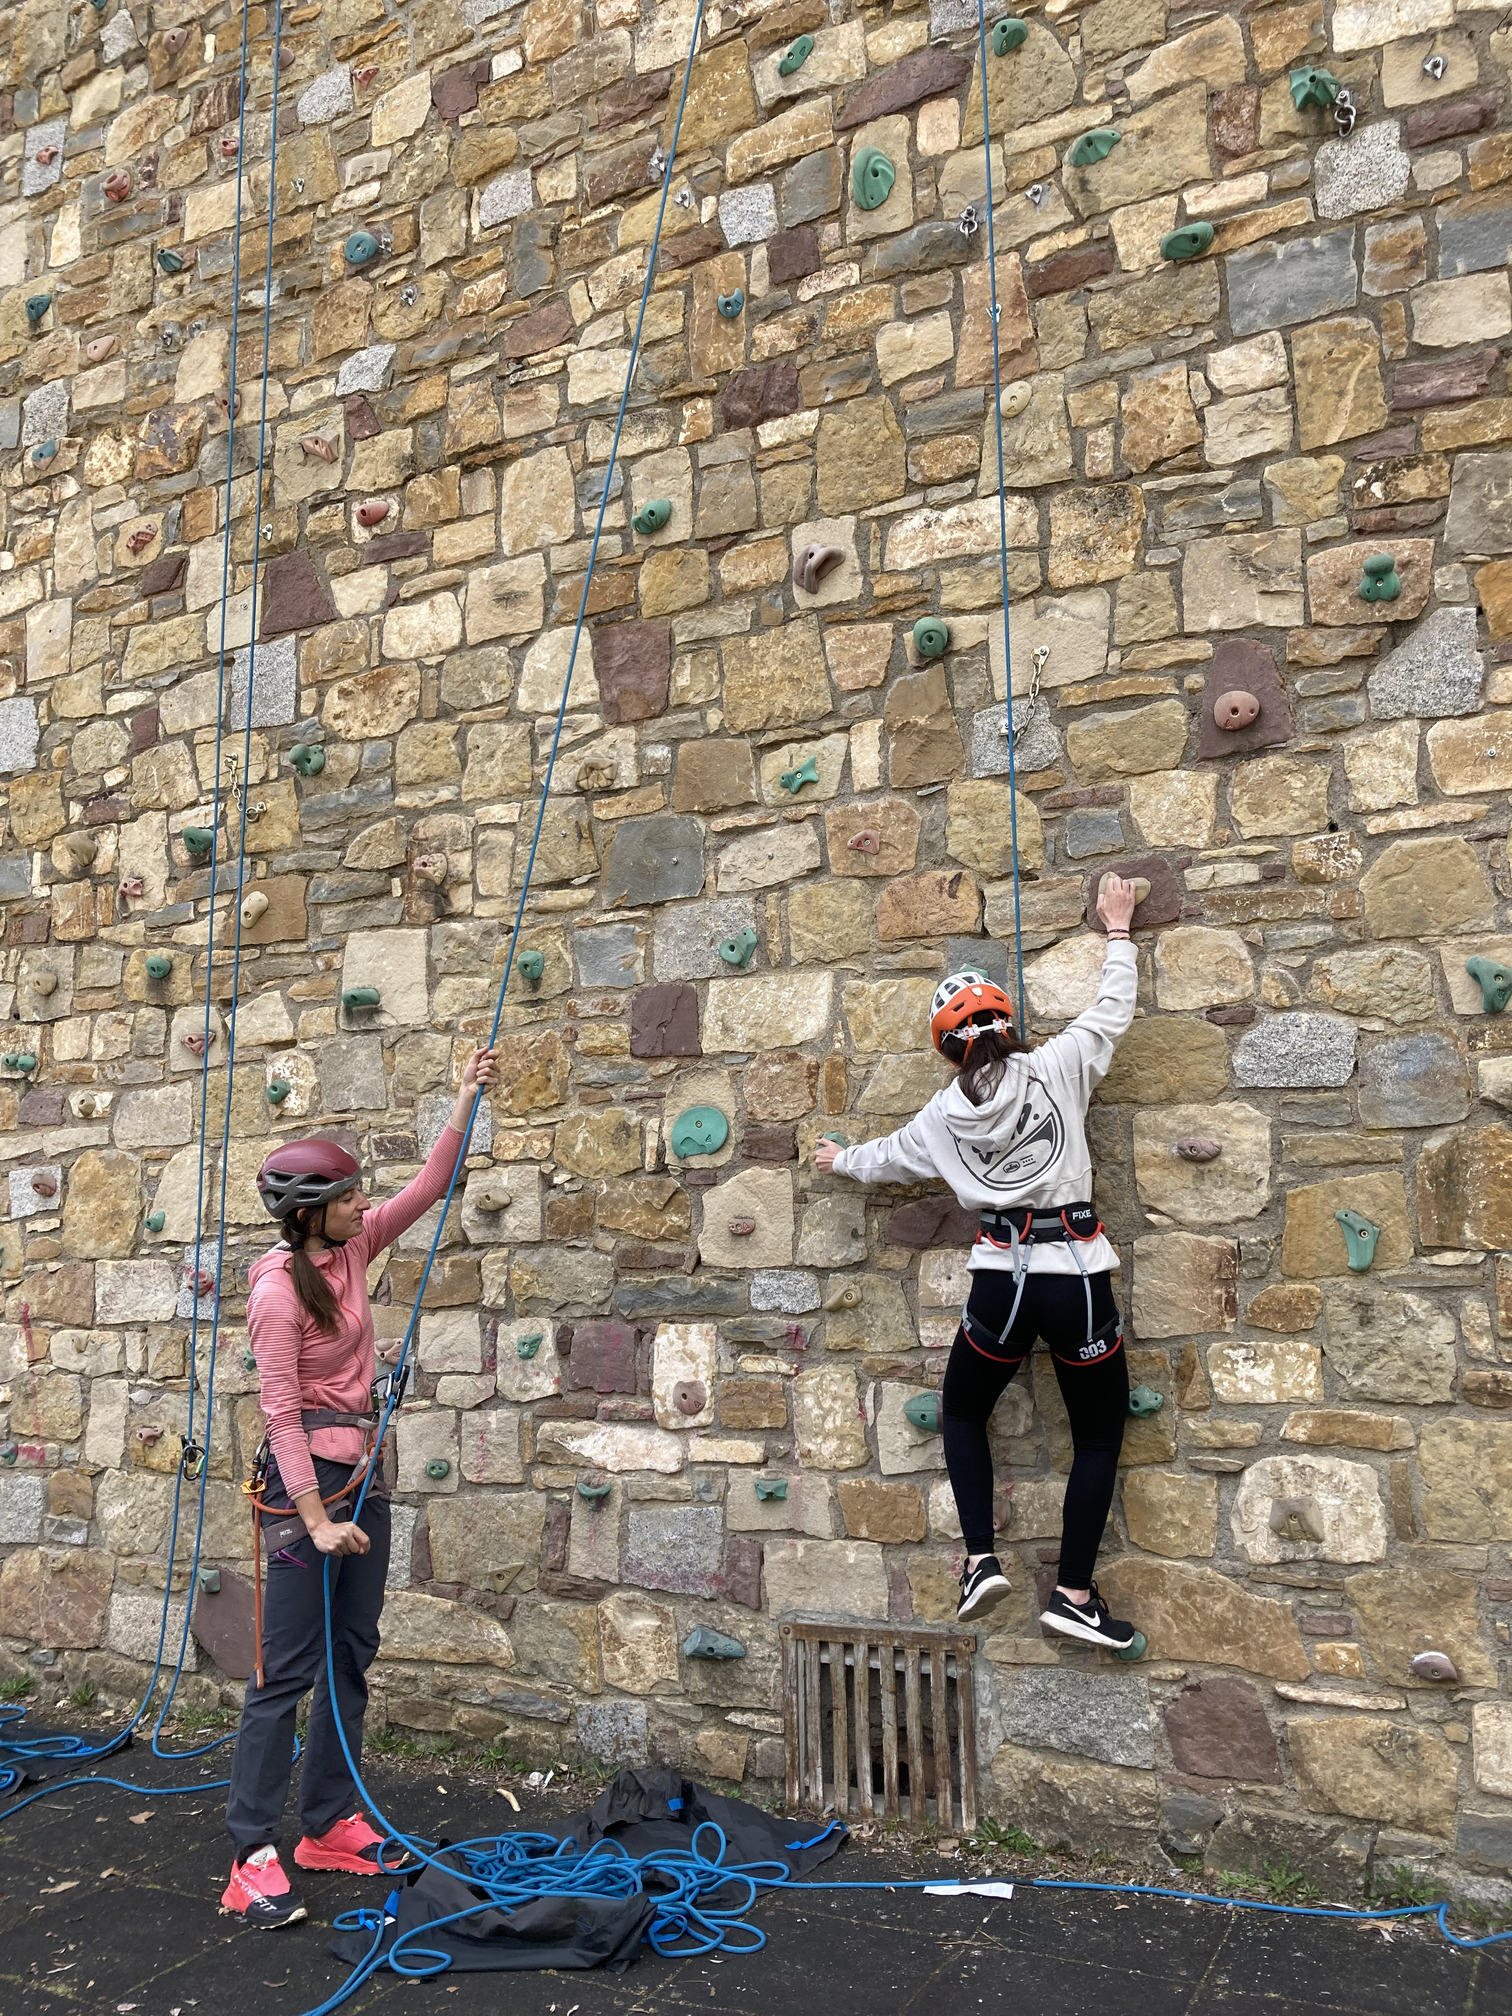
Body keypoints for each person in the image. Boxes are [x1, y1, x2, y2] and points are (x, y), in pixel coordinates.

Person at [813, 878, 1140, 1647]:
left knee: (963, 1410)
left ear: (946, 1047)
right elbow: (1111, 1011)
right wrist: (1119, 932)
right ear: (1007, 1023)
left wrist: (838, 1160)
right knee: (1096, 1436)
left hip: (1001, 1286)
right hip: (1076, 1277)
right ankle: (1072, 1594)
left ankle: (981, 1560)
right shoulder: (1059, 1064)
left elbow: (887, 1157)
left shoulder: (941, 1116)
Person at [221, 1047, 496, 1928]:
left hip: (363, 1471)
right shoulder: (277, 1293)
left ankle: (327, 1824)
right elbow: (279, 1414)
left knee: (351, 1653)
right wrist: (315, 1520)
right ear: (309, 1213)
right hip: (304, 1488)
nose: (361, 1205)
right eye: (346, 1197)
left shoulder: (354, 1246)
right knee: (285, 1670)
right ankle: (249, 1855)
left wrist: (463, 1097)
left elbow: (429, 1188)